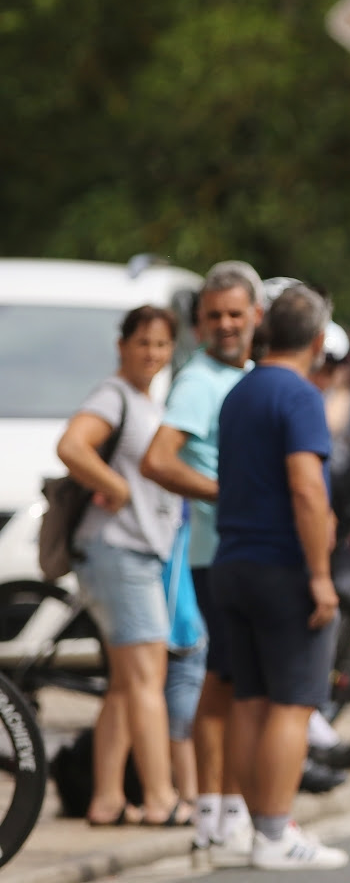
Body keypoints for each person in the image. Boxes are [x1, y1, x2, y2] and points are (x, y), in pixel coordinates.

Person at [214, 284, 347, 870]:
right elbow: (306, 487)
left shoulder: (239, 391)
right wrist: (320, 575)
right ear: (317, 342)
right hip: (281, 565)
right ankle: (274, 833)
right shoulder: (299, 394)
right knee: (293, 703)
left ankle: (258, 827)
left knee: (249, 699)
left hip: (233, 560)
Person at [140, 260, 263, 866]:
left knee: (227, 680)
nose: (225, 325)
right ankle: (223, 813)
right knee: (232, 682)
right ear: (198, 324)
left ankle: (217, 813)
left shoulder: (248, 374)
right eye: (214, 316)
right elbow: (158, 460)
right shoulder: (199, 380)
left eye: (235, 313)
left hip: (237, 551)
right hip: (218, 554)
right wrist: (226, 493)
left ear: (256, 316)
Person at [56, 305, 193, 829]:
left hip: (137, 550)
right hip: (118, 549)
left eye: (161, 344)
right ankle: (160, 797)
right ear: (122, 345)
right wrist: (114, 486)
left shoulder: (146, 400)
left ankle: (108, 798)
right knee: (145, 678)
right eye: (143, 343)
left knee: (124, 682)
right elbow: (72, 446)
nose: (152, 353)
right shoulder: (112, 395)